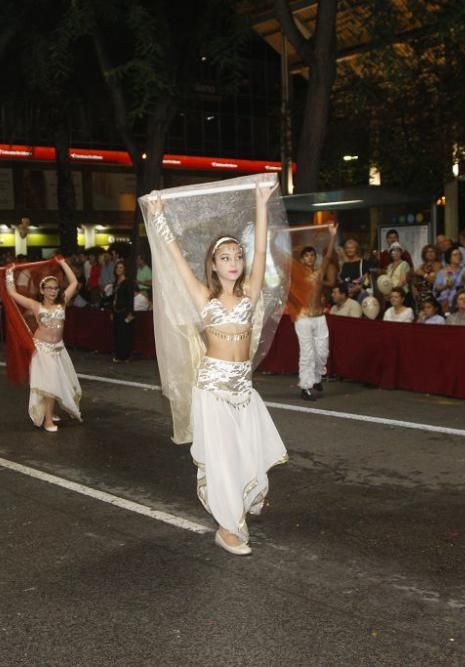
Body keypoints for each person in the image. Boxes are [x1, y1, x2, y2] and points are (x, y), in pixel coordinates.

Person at [146, 179, 287, 556]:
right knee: (224, 457)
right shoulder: (203, 295)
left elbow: (260, 246)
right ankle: (228, 528)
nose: (234, 263)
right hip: (212, 387)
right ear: (212, 264)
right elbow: (174, 257)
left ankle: (238, 507)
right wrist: (160, 219)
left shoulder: (250, 292)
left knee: (247, 452)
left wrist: (260, 202)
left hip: (243, 387)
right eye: (225, 257)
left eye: (236, 257)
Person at [3, 257, 82, 432]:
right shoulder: (36, 306)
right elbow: (12, 293)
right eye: (49, 288)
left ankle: (49, 411)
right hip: (42, 349)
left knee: (61, 381)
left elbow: (74, 282)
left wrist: (62, 263)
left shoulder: (62, 303)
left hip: (59, 349)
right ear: (43, 290)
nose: (53, 291)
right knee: (50, 383)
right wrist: (9, 272)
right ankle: (48, 421)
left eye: (55, 288)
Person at [291, 232, 337, 401]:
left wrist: (332, 236)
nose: (310, 258)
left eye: (312, 255)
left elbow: (329, 255)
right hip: (303, 317)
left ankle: (317, 378)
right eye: (306, 255)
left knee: (323, 352)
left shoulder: (319, 272)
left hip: (319, 316)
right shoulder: (296, 273)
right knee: (307, 353)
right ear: (301, 259)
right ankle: (306, 386)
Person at [111, 259, 135, 363]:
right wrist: (111, 311)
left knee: (124, 334)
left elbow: (130, 298)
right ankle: (118, 355)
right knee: (117, 334)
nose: (118, 269)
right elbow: (114, 298)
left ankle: (125, 356)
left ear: (124, 269)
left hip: (125, 311)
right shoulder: (115, 282)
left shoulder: (128, 282)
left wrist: (130, 313)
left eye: (121, 267)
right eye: (117, 267)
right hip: (116, 311)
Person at [338, 238, 373, 303]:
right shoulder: (345, 265)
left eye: (352, 248)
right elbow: (343, 280)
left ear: (356, 249)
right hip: (347, 298)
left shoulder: (364, 263)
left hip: (360, 297)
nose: (349, 250)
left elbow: (367, 280)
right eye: (347, 248)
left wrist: (357, 288)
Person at [433, 247, 465, 313]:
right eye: (455, 255)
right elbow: (436, 288)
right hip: (445, 304)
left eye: (459, 254)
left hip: (462, 301)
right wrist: (446, 286)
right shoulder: (442, 272)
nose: (458, 256)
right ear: (449, 257)